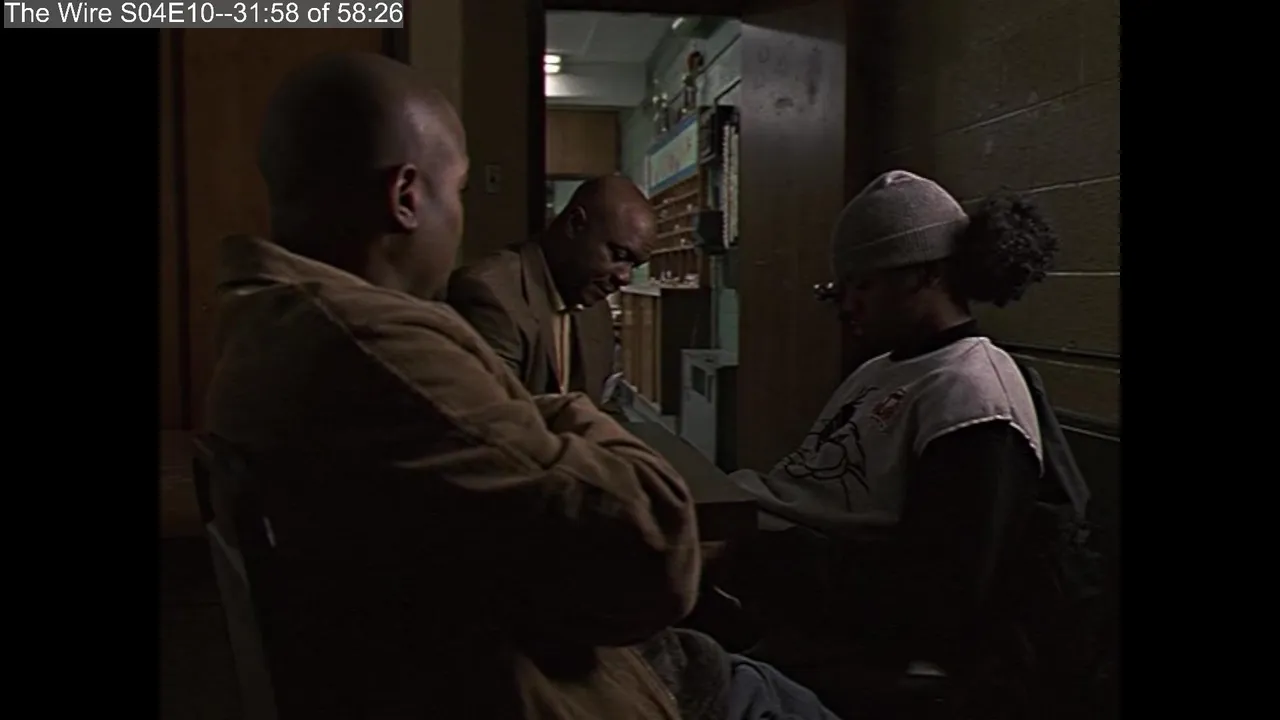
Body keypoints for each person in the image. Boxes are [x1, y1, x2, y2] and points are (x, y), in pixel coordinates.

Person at [205, 52, 840, 720]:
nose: (461, 217)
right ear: (406, 197)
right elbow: (647, 549)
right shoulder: (376, 349)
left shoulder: (275, 324)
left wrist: (551, 421)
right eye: (459, 190)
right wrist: (569, 416)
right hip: (550, 682)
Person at [719, 170, 1094, 714]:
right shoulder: (882, 368)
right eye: (841, 288)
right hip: (767, 579)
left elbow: (936, 598)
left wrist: (750, 559)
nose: (846, 305)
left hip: (844, 647)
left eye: (862, 285)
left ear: (926, 274)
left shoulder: (969, 394)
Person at [447, 176, 656, 405]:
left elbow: (601, 408)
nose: (624, 278)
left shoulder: (597, 311)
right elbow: (494, 416)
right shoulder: (488, 293)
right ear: (575, 224)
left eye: (633, 266)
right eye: (619, 255)